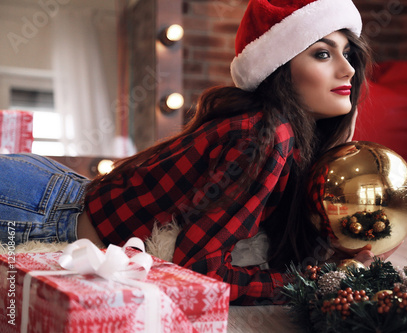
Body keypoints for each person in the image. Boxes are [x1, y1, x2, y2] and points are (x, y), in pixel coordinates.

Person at [0, 0, 378, 305]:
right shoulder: (268, 135)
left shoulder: (287, 138)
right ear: (281, 68)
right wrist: (310, 283)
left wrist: (328, 260)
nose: (348, 70)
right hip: (36, 211)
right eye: (323, 55)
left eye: (347, 54)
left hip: (53, 193)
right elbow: (200, 272)